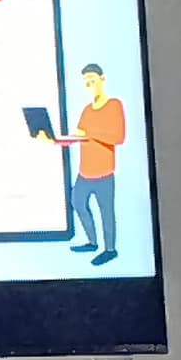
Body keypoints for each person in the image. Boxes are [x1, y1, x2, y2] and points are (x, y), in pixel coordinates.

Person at [42, 61, 129, 263]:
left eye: (92, 80)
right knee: (78, 202)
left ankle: (110, 249)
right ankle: (92, 242)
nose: (89, 84)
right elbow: (78, 137)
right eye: (86, 81)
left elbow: (118, 137)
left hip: (104, 173)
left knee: (106, 212)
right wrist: (54, 140)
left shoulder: (114, 105)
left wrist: (90, 133)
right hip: (85, 172)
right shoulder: (87, 111)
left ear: (102, 79)